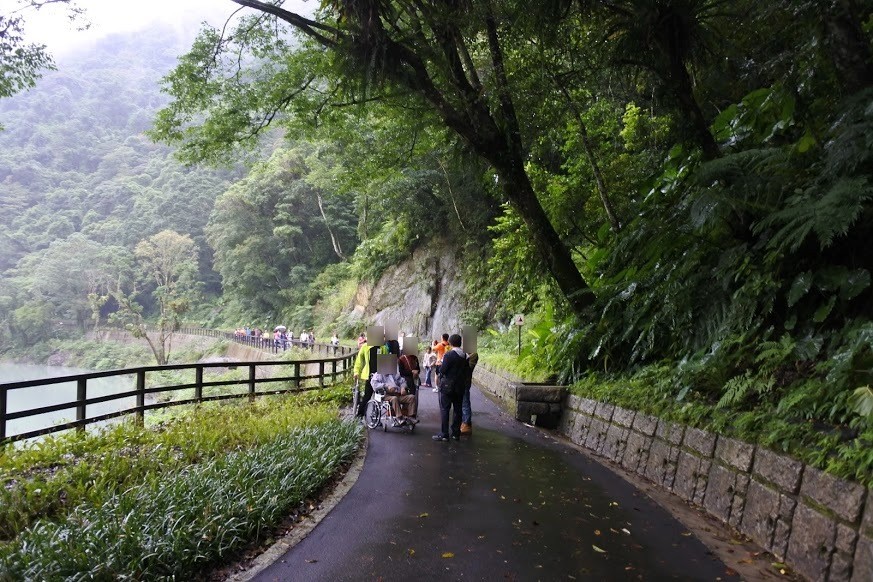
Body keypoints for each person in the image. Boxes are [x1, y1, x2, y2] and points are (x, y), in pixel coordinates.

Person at [433, 334, 466, 441]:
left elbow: (443, 370)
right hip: (460, 386)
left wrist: (439, 368)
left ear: (450, 343)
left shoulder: (449, 355)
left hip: (447, 386)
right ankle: (456, 433)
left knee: (445, 409)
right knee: (458, 409)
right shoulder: (465, 355)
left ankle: (444, 433)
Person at [353, 337, 382, 418]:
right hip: (370, 376)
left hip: (380, 377)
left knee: (379, 398)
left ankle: (376, 417)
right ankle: (360, 415)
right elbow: (359, 361)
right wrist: (356, 372)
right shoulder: (365, 347)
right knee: (367, 396)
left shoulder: (383, 347)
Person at [398, 348, 421, 418]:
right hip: (406, 381)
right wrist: (412, 372)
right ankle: (406, 413)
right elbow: (401, 372)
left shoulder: (415, 358)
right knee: (408, 397)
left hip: (414, 380)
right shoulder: (401, 359)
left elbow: (418, 369)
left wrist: (416, 372)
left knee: (414, 397)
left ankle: (412, 414)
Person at [460, 352, 479, 435]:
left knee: (465, 402)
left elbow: (469, 367)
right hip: (459, 381)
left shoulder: (474, 355)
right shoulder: (463, 353)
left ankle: (466, 424)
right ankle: (462, 422)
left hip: (465, 381)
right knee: (460, 402)